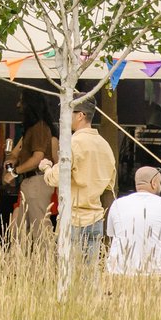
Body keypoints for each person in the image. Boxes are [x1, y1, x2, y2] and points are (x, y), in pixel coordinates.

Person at [38, 104, 117, 267]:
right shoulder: (104, 145)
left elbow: (55, 178)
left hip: (73, 218)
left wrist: (46, 167)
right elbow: (110, 184)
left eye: (69, 112)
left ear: (80, 115)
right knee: (90, 275)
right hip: (96, 217)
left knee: (69, 274)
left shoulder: (73, 143)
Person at [104, 166, 161, 276]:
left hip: (118, 271)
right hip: (153, 273)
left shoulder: (117, 204)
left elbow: (112, 235)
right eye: (160, 182)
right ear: (154, 183)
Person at [2, 116, 56, 239]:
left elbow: (42, 160)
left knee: (39, 225)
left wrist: (15, 172)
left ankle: (43, 257)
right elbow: (14, 154)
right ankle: (20, 256)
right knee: (19, 225)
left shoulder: (47, 136)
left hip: (40, 181)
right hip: (27, 182)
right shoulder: (27, 135)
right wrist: (11, 159)